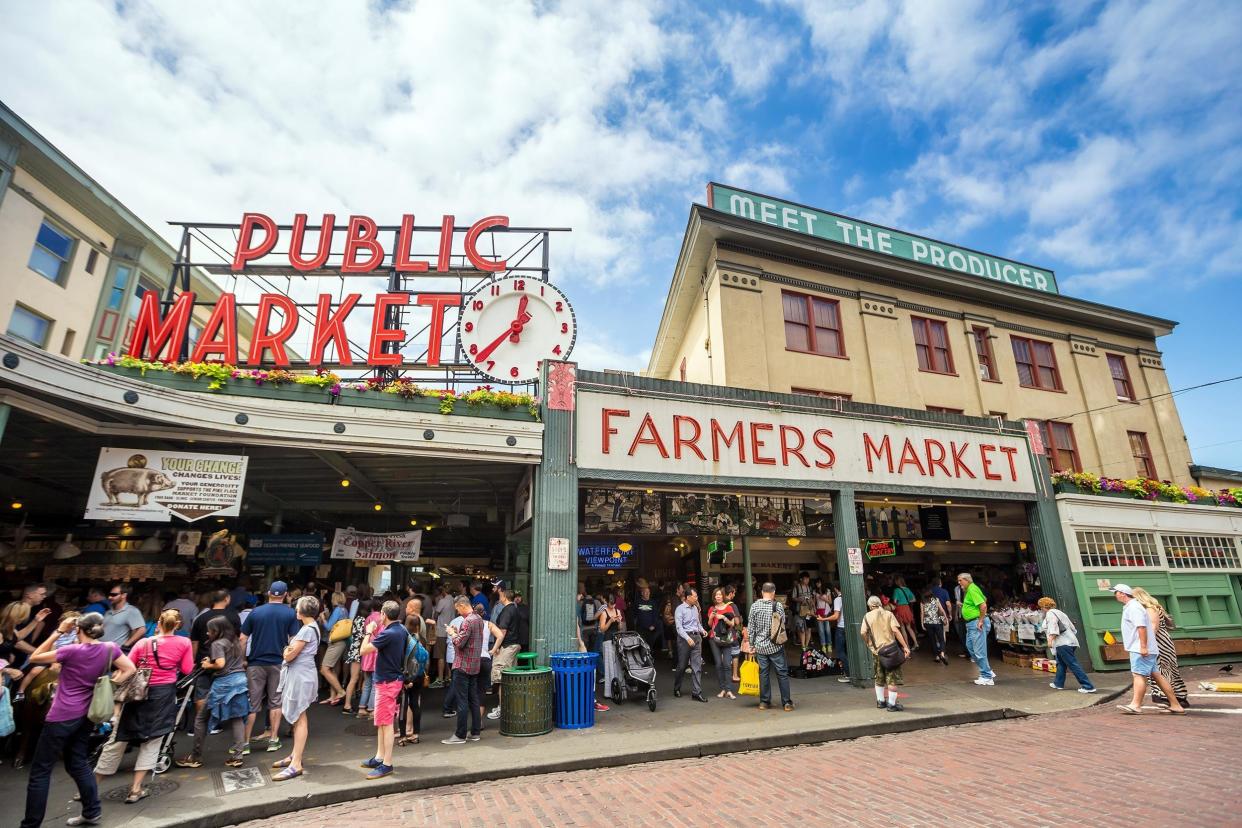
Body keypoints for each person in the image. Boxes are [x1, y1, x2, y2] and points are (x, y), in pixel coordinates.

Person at [21, 612, 136, 828]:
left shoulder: (71, 650)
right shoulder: (110, 648)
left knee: (40, 772)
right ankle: (92, 812)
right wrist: (109, 686)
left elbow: (35, 657)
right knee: (78, 763)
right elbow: (130, 669)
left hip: (61, 715)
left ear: (78, 629)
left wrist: (58, 631)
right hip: (87, 715)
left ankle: (30, 824)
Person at [94, 609, 193, 802]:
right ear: (178, 625)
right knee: (153, 741)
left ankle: (89, 787)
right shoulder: (184, 643)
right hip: (164, 694)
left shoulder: (143, 642)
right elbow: (187, 669)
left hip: (139, 693)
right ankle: (136, 789)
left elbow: (129, 666)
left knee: (118, 739)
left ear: (159, 623)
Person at [176, 615, 249, 769]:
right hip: (240, 681)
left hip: (224, 684)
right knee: (237, 718)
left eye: (210, 631)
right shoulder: (234, 641)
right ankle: (237, 756)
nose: (208, 633)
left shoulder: (217, 643)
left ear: (216, 630)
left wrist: (208, 665)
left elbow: (221, 664)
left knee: (201, 719)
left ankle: (195, 756)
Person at [240, 581, 300, 752]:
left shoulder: (255, 612)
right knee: (275, 702)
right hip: (278, 663)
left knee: (252, 703)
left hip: (255, 663)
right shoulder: (290, 614)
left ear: (268, 593)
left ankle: (245, 743)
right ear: (286, 594)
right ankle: (273, 739)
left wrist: (243, 659)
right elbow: (292, 640)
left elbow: (242, 639)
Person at [1112, 584, 1185, 715]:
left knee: (1138, 675)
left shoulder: (1134, 607)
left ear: (1122, 593)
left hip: (1139, 647)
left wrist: (1143, 647)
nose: (1115, 595)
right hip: (1143, 647)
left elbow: (1141, 627)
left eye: (1116, 592)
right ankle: (1175, 704)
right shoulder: (1134, 607)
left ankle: (1136, 705)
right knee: (1157, 675)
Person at [271, 595, 322, 781]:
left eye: (297, 608)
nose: (295, 610)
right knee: (299, 716)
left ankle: (296, 763)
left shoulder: (306, 630)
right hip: (303, 674)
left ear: (301, 612)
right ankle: (294, 755)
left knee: (299, 718)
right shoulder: (312, 627)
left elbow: (289, 656)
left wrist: (286, 649)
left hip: (300, 676)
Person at [359, 600, 405, 779]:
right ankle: (379, 756)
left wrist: (369, 632)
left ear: (384, 615)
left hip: (387, 682)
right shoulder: (400, 630)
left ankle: (387, 763)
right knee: (381, 721)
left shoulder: (388, 633)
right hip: (390, 680)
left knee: (386, 724)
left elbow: (364, 650)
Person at [1129, 588, 1188, 708]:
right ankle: (1175, 698)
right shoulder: (1152, 608)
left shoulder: (1150, 609)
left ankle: (1169, 698)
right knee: (1161, 670)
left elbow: (1153, 627)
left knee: (1162, 669)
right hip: (1160, 642)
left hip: (1159, 643)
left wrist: (1145, 645)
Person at [442, 596, 483, 745]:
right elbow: (470, 640)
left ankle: (460, 735)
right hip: (474, 665)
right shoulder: (478, 618)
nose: (457, 612)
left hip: (463, 665)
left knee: (462, 701)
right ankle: (475, 732)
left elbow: (459, 643)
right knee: (474, 699)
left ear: (461, 605)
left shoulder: (468, 621)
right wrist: (457, 632)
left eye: (457, 608)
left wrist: (452, 633)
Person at [746, 582, 793, 711]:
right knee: (782, 673)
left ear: (762, 592)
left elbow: (751, 628)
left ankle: (764, 702)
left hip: (760, 647)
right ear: (773, 593)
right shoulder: (777, 605)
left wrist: (751, 644)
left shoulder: (754, 606)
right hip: (775, 646)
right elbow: (783, 622)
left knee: (763, 674)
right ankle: (787, 703)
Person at [861, 595, 910, 712]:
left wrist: (869, 644)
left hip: (877, 651)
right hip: (891, 650)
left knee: (879, 676)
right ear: (880, 604)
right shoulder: (888, 614)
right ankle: (892, 704)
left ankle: (880, 701)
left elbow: (863, 632)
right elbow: (896, 631)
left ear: (870, 606)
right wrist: (905, 646)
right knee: (891, 678)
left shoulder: (867, 616)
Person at [1038, 597, 1095, 694]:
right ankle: (1058, 683)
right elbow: (1073, 629)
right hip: (1070, 641)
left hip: (1062, 643)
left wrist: (1050, 640)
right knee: (1061, 663)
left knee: (1073, 664)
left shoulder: (1050, 614)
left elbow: (1053, 627)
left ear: (1043, 606)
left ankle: (1088, 686)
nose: (1041, 609)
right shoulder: (1061, 613)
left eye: (1041, 607)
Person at [486, 588, 521, 720]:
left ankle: (503, 708)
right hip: (512, 646)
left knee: (501, 679)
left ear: (505, 596)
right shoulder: (514, 609)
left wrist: (495, 648)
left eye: (500, 594)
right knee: (508, 679)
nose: (499, 596)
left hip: (506, 647)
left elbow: (502, 632)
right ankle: (507, 707)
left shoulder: (507, 610)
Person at [958, 573, 995, 685]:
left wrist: (980, 620)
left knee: (979, 650)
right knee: (971, 647)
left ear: (966, 580)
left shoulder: (972, 589)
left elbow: (983, 605)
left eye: (960, 580)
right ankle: (987, 671)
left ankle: (987, 676)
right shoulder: (972, 589)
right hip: (972, 623)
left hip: (976, 623)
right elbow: (984, 599)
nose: (959, 583)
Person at [672, 588, 707, 703]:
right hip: (684, 638)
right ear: (688, 597)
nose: (696, 598)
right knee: (682, 666)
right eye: (695, 596)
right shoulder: (679, 609)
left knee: (697, 666)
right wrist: (687, 639)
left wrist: (702, 630)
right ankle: (677, 688)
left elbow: (697, 623)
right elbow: (679, 628)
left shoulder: (696, 608)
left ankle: (697, 692)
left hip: (696, 637)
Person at [397, 614, 426, 747]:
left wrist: (406, 679)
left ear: (406, 623)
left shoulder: (404, 638)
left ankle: (402, 736)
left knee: (403, 705)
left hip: (407, 677)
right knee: (415, 704)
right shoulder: (420, 638)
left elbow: (402, 660)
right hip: (419, 676)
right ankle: (416, 734)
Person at [706, 588, 738, 699]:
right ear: (714, 597)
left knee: (727, 665)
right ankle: (723, 689)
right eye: (716, 595)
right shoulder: (711, 608)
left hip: (727, 639)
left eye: (720, 595)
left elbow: (732, 624)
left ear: (723, 596)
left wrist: (723, 617)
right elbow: (710, 625)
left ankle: (729, 690)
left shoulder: (729, 607)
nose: (718, 596)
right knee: (719, 664)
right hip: (714, 639)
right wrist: (711, 617)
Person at [318, 590, 349, 705]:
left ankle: (340, 692)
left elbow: (329, 627)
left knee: (324, 669)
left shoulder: (337, 610)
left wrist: (323, 618)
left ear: (335, 599)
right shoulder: (344, 609)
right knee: (332, 670)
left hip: (335, 642)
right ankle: (332, 696)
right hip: (342, 641)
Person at [342, 598, 371, 714]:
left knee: (357, 678)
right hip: (358, 651)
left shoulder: (358, 618)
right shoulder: (361, 619)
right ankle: (347, 705)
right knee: (355, 678)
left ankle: (351, 705)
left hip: (356, 650)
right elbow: (361, 636)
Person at [357, 600, 384, 720]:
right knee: (374, 684)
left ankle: (361, 708)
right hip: (375, 653)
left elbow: (365, 632)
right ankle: (372, 709)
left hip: (366, 652)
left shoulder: (368, 618)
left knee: (367, 683)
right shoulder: (382, 618)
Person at [102, 584, 146, 652]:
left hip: (115, 654)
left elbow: (142, 630)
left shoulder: (131, 610)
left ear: (123, 595)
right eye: (110, 594)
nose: (110, 597)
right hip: (101, 651)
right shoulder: (108, 612)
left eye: (114, 595)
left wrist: (126, 645)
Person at [430, 588, 454, 688]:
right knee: (449, 655)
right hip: (452, 631)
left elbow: (436, 614)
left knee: (441, 656)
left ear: (444, 591)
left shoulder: (442, 601)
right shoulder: (454, 600)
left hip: (441, 631)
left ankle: (440, 679)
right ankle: (448, 677)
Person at [920, 587, 950, 665]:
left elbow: (922, 613)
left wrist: (922, 624)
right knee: (941, 639)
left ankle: (937, 656)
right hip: (937, 622)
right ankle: (942, 654)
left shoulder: (923, 602)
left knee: (933, 640)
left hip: (928, 623)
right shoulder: (936, 599)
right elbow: (942, 610)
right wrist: (946, 618)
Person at [890, 576, 919, 652]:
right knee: (909, 627)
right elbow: (914, 599)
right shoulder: (907, 589)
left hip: (900, 609)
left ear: (897, 582)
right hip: (907, 608)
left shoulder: (896, 590)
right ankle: (916, 643)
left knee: (902, 628)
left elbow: (895, 601)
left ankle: (907, 646)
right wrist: (907, 601)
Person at [790, 572, 815, 650]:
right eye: (806, 578)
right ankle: (803, 646)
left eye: (808, 578)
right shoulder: (796, 588)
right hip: (799, 612)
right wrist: (800, 600)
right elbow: (793, 598)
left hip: (809, 612)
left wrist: (813, 606)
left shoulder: (809, 587)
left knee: (808, 628)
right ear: (801, 579)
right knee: (801, 629)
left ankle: (806, 645)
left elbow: (811, 598)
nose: (807, 580)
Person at [814, 580, 833, 653]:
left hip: (826, 611)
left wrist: (825, 599)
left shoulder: (827, 591)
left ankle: (829, 645)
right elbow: (814, 602)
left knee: (827, 629)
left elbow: (830, 602)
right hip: (819, 611)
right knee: (821, 630)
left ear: (822, 583)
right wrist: (814, 609)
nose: (817, 584)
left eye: (818, 582)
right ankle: (823, 645)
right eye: (816, 583)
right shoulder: (815, 591)